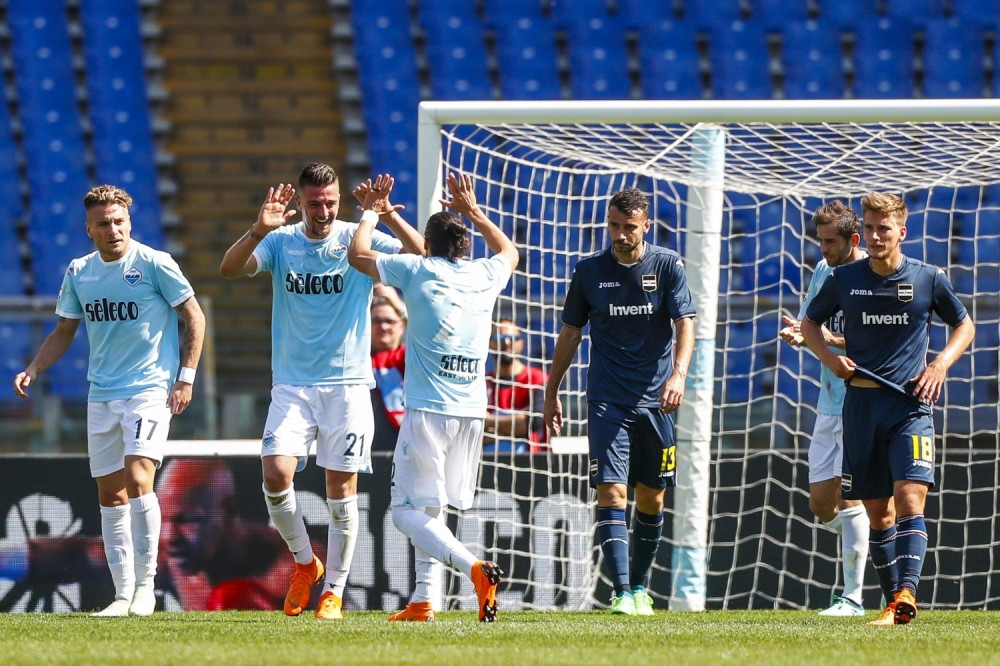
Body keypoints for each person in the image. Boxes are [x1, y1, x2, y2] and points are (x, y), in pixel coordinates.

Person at [219, 163, 424, 620]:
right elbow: (229, 269)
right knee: (275, 474)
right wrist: (257, 229)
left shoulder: (357, 238)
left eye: (330, 202)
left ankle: (333, 590)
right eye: (315, 203)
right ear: (300, 202)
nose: (324, 211)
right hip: (292, 385)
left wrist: (387, 214)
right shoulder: (281, 241)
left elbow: (422, 255)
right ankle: (304, 562)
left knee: (340, 490)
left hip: (347, 387)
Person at [13, 184, 206, 617]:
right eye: (103, 224)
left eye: (119, 221)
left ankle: (147, 588)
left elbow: (194, 316)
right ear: (89, 230)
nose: (113, 230)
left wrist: (185, 378)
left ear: (129, 222)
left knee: (139, 477)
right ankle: (122, 595)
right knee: (110, 494)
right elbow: (64, 330)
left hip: (149, 389)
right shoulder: (79, 272)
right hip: (102, 393)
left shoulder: (155, 263)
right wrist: (34, 368)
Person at [348, 172, 518, 622]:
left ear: (427, 245)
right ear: (465, 245)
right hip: (473, 413)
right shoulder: (484, 273)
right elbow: (510, 252)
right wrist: (474, 211)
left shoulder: (418, 270)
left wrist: (372, 213)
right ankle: (424, 600)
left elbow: (357, 254)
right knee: (432, 507)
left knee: (403, 511)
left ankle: (475, 569)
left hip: (428, 411)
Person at [800, 191, 975, 626]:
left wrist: (939, 365)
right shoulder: (843, 279)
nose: (877, 235)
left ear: (902, 232)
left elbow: (964, 325)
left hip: (910, 408)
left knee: (910, 499)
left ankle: (906, 595)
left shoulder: (928, 278)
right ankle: (895, 605)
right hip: (860, 408)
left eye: (885, 228)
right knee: (879, 514)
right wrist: (830, 358)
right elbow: (809, 323)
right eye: (871, 227)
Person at [543, 187, 695, 616]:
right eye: (613, 225)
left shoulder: (666, 265)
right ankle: (623, 592)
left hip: (657, 401)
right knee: (611, 491)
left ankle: (640, 586)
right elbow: (571, 333)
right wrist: (552, 392)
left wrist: (679, 375)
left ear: (646, 226)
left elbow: (685, 322)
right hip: (607, 398)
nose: (620, 234)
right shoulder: (589, 271)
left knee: (652, 498)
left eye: (629, 227)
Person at [778, 201, 875, 617]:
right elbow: (810, 324)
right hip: (828, 401)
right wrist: (799, 334)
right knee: (820, 504)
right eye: (820, 240)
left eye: (830, 241)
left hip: (861, 400)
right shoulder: (823, 270)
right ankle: (868, 534)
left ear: (853, 239)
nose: (823, 248)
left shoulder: (872, 275)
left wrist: (829, 341)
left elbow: (880, 341)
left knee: (850, 498)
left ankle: (853, 597)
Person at [483, 318, 548, 454]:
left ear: (521, 343)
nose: (506, 342)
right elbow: (474, 430)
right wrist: (515, 425)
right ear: (490, 343)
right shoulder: (482, 384)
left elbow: (533, 422)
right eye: (499, 338)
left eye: (513, 338)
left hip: (532, 463)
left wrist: (489, 421)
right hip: (486, 463)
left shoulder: (538, 380)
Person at [370, 283, 407, 451]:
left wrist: (397, 304)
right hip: (368, 448)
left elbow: (429, 338)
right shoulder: (358, 359)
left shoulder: (409, 358)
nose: (383, 326)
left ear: (402, 326)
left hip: (404, 447)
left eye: (390, 321)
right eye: (377, 321)